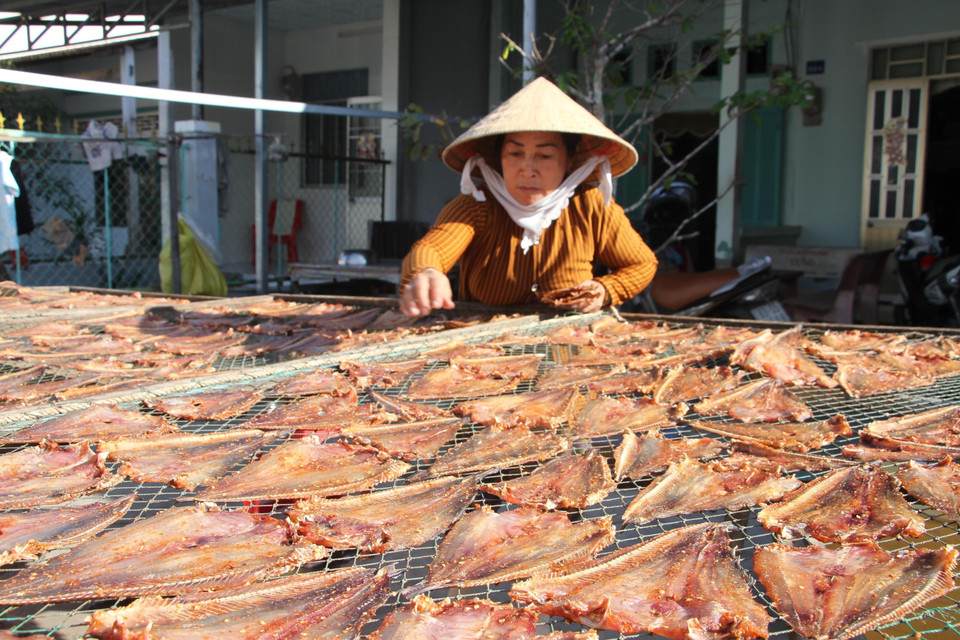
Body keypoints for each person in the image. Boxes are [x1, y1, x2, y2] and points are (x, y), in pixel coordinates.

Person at [399, 77, 658, 316]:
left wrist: (606, 291)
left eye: (544, 156)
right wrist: (426, 272)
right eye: (515, 154)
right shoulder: (475, 206)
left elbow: (642, 264)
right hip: (482, 351)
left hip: (570, 349)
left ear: (568, 161)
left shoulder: (591, 206)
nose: (527, 170)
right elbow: (431, 248)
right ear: (499, 158)